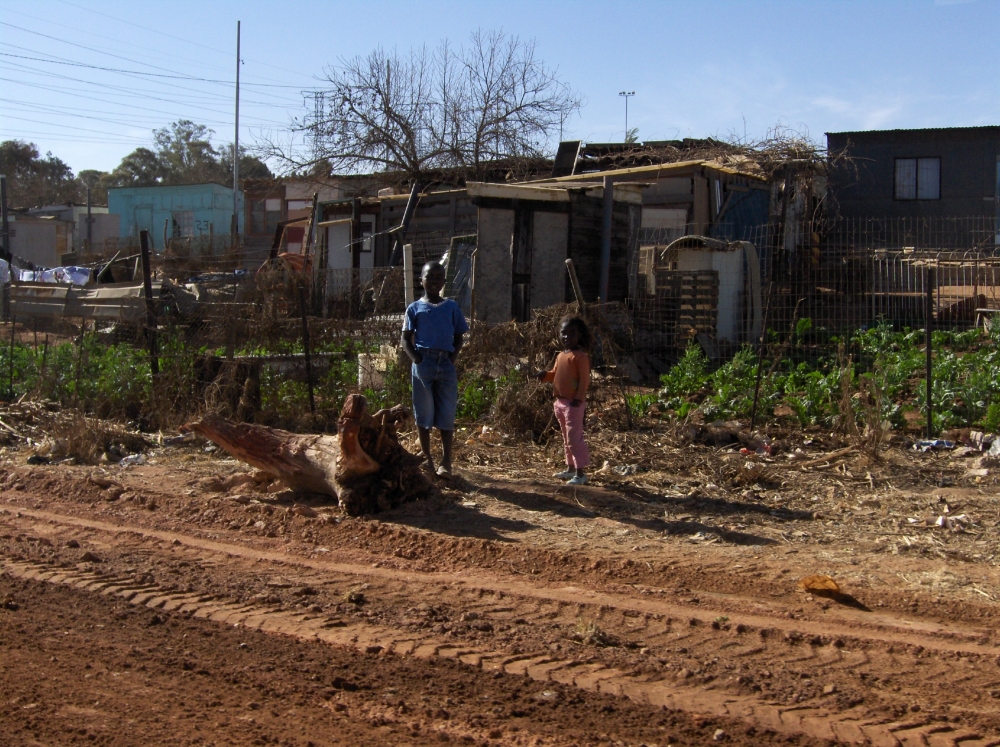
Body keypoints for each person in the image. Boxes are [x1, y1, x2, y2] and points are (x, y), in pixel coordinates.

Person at [401, 261, 469, 478]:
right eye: (429, 277)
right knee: (424, 412)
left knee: (447, 412)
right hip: (424, 365)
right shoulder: (414, 308)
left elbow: (459, 336)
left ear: (444, 282)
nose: (434, 281)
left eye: (438, 278)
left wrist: (452, 358)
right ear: (421, 279)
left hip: (446, 364)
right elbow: (405, 339)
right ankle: (427, 458)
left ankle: (446, 461)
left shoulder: (452, 308)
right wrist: (418, 360)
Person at [536, 315, 591, 485]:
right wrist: (544, 376)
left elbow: (584, 380)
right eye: (563, 333)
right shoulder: (561, 355)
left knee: (574, 439)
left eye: (571, 333)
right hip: (560, 403)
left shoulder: (580, 357)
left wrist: (578, 398)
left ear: (579, 335)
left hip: (573, 404)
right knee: (567, 438)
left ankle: (581, 473)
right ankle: (570, 469)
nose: (566, 337)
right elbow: (554, 374)